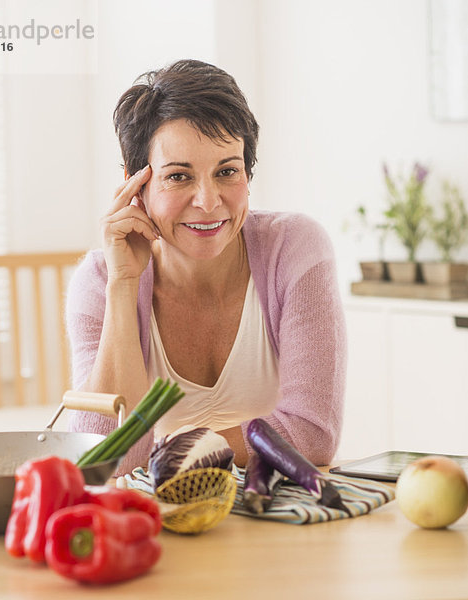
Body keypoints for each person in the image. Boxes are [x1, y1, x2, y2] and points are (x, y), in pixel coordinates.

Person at [66, 59, 347, 474]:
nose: (209, 200)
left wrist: (175, 451)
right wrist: (124, 287)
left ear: (248, 175)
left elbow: (312, 433)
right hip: (158, 527)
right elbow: (105, 457)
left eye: (227, 171)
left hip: (276, 519)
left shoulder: (296, 251)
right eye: (179, 176)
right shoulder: (100, 281)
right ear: (136, 185)